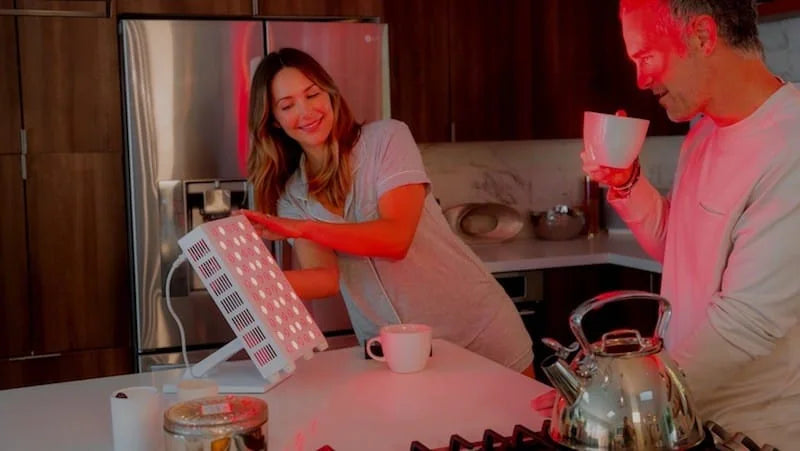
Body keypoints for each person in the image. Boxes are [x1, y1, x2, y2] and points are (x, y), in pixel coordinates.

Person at [580, 0, 800, 446]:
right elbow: (680, 248)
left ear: (701, 35)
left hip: (753, 435)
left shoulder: (789, 143)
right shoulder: (703, 130)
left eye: (646, 56)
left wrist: (622, 399)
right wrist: (627, 183)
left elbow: (747, 323)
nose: (640, 79)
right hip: (686, 415)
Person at [242, 47, 534, 375]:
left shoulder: (387, 139)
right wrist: (250, 282)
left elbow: (396, 239)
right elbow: (324, 278)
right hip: (393, 353)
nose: (306, 111)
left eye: (312, 95)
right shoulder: (293, 195)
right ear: (275, 120)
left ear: (330, 93)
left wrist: (301, 227)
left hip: (476, 330)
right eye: (287, 105)